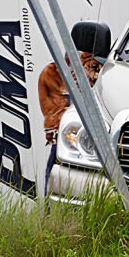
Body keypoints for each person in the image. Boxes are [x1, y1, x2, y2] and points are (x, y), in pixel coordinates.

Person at [37, 49, 102, 195]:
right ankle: (51, 212)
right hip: (68, 135)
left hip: (96, 137)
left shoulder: (98, 67)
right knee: (57, 172)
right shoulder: (51, 73)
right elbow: (56, 110)